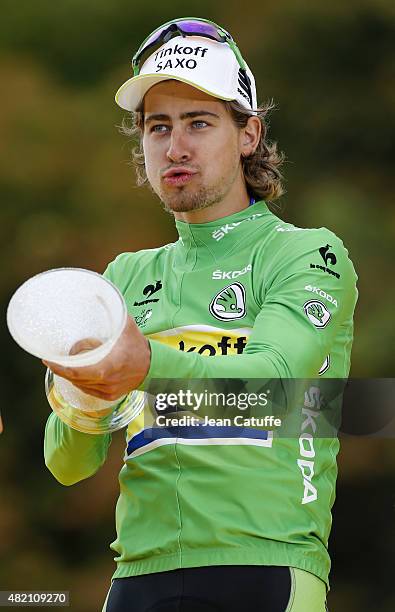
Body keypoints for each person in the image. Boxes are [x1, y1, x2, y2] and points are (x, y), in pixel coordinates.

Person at [43, 18, 358, 612]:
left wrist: (139, 364)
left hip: (266, 564)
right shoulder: (124, 277)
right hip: (137, 574)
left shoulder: (306, 252)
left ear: (248, 134)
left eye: (199, 123)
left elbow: (273, 383)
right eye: (158, 127)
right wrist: (80, 389)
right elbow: (68, 464)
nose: (175, 146)